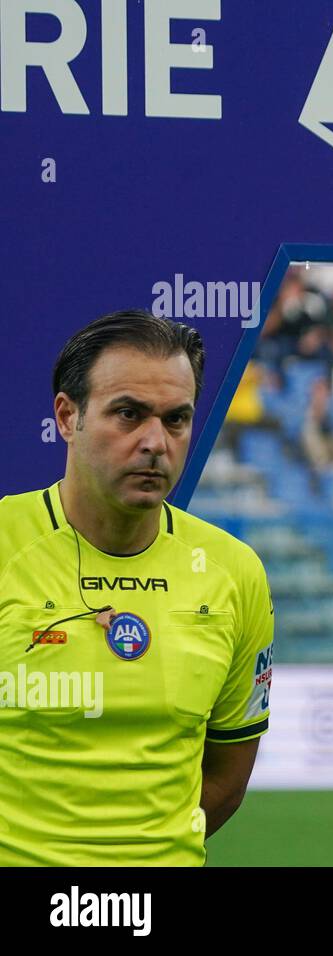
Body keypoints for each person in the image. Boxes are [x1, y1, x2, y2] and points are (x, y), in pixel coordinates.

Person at [0, 310, 275, 865]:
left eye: (176, 420)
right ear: (67, 416)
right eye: (128, 414)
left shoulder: (234, 571)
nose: (155, 442)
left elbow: (226, 775)